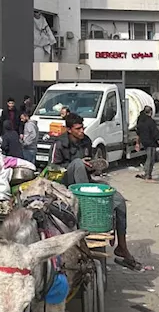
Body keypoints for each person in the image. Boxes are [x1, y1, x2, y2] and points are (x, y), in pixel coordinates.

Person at [52, 113, 140, 269]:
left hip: (85, 181)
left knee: (118, 200)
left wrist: (93, 166)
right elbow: (53, 170)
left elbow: (90, 167)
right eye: (78, 129)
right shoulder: (59, 144)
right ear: (69, 130)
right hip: (66, 184)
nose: (81, 131)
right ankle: (86, 205)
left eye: (82, 127)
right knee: (78, 163)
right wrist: (75, 164)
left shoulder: (86, 141)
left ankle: (122, 246)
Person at [135, 106, 159, 180]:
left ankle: (146, 173)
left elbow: (138, 133)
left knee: (149, 158)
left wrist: (137, 143)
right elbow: (155, 134)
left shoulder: (140, 120)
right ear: (151, 112)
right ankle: (147, 175)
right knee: (151, 159)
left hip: (144, 141)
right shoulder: (150, 121)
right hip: (151, 142)